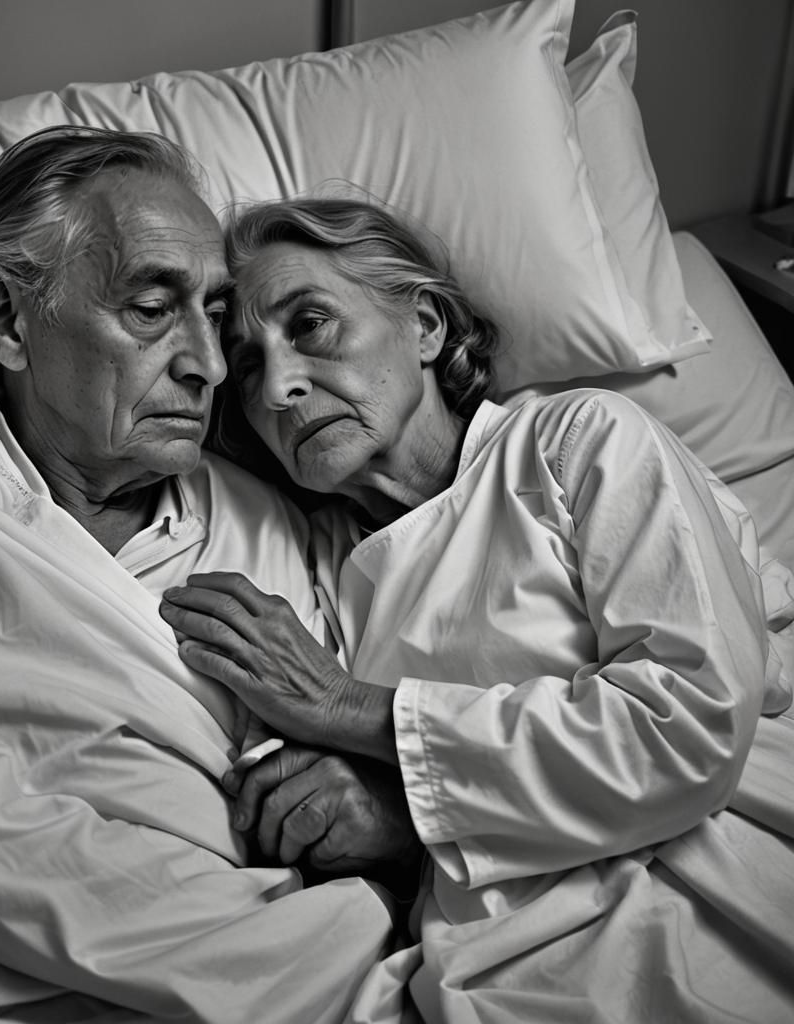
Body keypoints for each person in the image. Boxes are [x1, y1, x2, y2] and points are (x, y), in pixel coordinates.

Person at [0, 131, 399, 1024]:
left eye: (214, 313)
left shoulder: (262, 515)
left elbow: (326, 780)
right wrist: (311, 947)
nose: (211, 364)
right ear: (6, 320)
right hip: (0, 975)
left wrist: (370, 819)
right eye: (151, 308)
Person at [159, 196, 794, 1023]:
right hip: (498, 973)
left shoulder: (577, 444)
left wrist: (351, 710)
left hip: (718, 898)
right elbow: (322, 808)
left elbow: (685, 722)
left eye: (310, 324)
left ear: (424, 326)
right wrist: (398, 822)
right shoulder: (310, 569)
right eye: (246, 366)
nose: (278, 386)